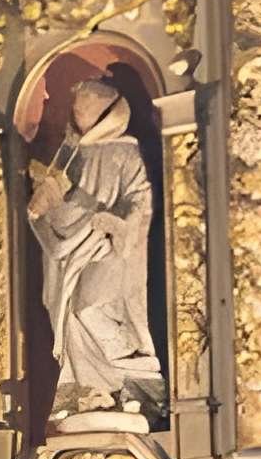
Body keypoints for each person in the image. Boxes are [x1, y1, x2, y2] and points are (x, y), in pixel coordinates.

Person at [26, 78, 164, 420]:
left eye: (84, 107)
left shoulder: (126, 152)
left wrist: (119, 224)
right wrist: (43, 201)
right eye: (76, 107)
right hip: (69, 249)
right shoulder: (69, 152)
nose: (77, 112)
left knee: (93, 305)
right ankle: (89, 389)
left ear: (106, 111)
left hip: (110, 247)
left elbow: (140, 200)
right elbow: (52, 199)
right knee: (70, 314)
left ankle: (133, 378)